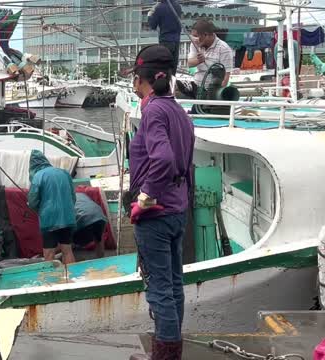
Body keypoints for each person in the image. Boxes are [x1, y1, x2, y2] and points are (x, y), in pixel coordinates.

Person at [123, 45, 195, 360]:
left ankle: (165, 354)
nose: (133, 84)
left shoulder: (152, 110)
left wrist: (144, 199)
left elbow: (163, 159)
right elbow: (184, 161)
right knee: (174, 285)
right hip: (177, 210)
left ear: (143, 79)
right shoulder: (178, 110)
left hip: (157, 214)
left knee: (159, 288)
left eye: (135, 78)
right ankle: (171, 348)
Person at [27, 150, 77, 265]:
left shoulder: (38, 176)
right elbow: (73, 197)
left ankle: (52, 281)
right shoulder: (64, 173)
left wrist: (36, 209)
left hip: (49, 220)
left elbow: (32, 201)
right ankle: (72, 279)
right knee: (67, 251)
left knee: (49, 254)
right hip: (67, 218)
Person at [176, 19, 233, 99]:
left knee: (196, 109)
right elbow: (190, 63)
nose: (193, 39)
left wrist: (215, 96)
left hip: (210, 90)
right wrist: (199, 60)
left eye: (196, 36)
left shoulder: (224, 49)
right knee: (174, 86)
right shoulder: (195, 44)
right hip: (196, 85)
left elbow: (225, 78)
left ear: (206, 35)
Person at [148, 0, 182, 74]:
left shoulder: (159, 7)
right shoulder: (177, 6)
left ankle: (165, 84)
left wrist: (150, 15)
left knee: (163, 68)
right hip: (176, 40)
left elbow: (152, 26)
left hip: (165, 41)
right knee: (173, 69)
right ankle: (171, 84)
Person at [72, 192, 107, 259]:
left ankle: (70, 260)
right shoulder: (81, 194)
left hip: (82, 218)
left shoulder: (64, 198)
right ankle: (101, 259)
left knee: (66, 239)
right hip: (99, 215)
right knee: (99, 237)